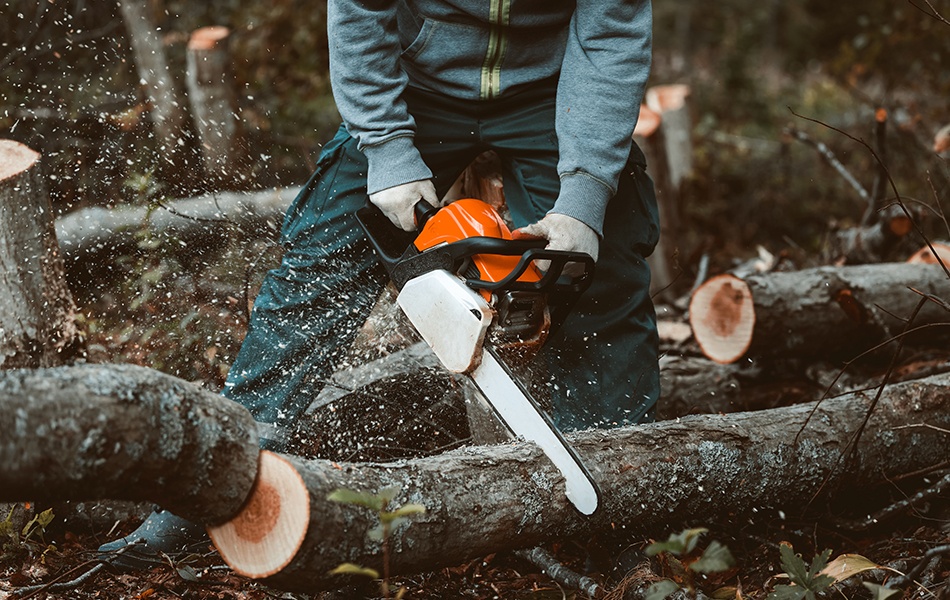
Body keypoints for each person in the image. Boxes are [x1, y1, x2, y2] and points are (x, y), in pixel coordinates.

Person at [99, 0, 660, 568]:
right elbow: (361, 13)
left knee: (600, 275)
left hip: (557, 89)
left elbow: (610, 35)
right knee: (316, 270)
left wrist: (586, 196)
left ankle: (615, 498)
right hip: (416, 87)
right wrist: (388, 149)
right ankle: (221, 475)